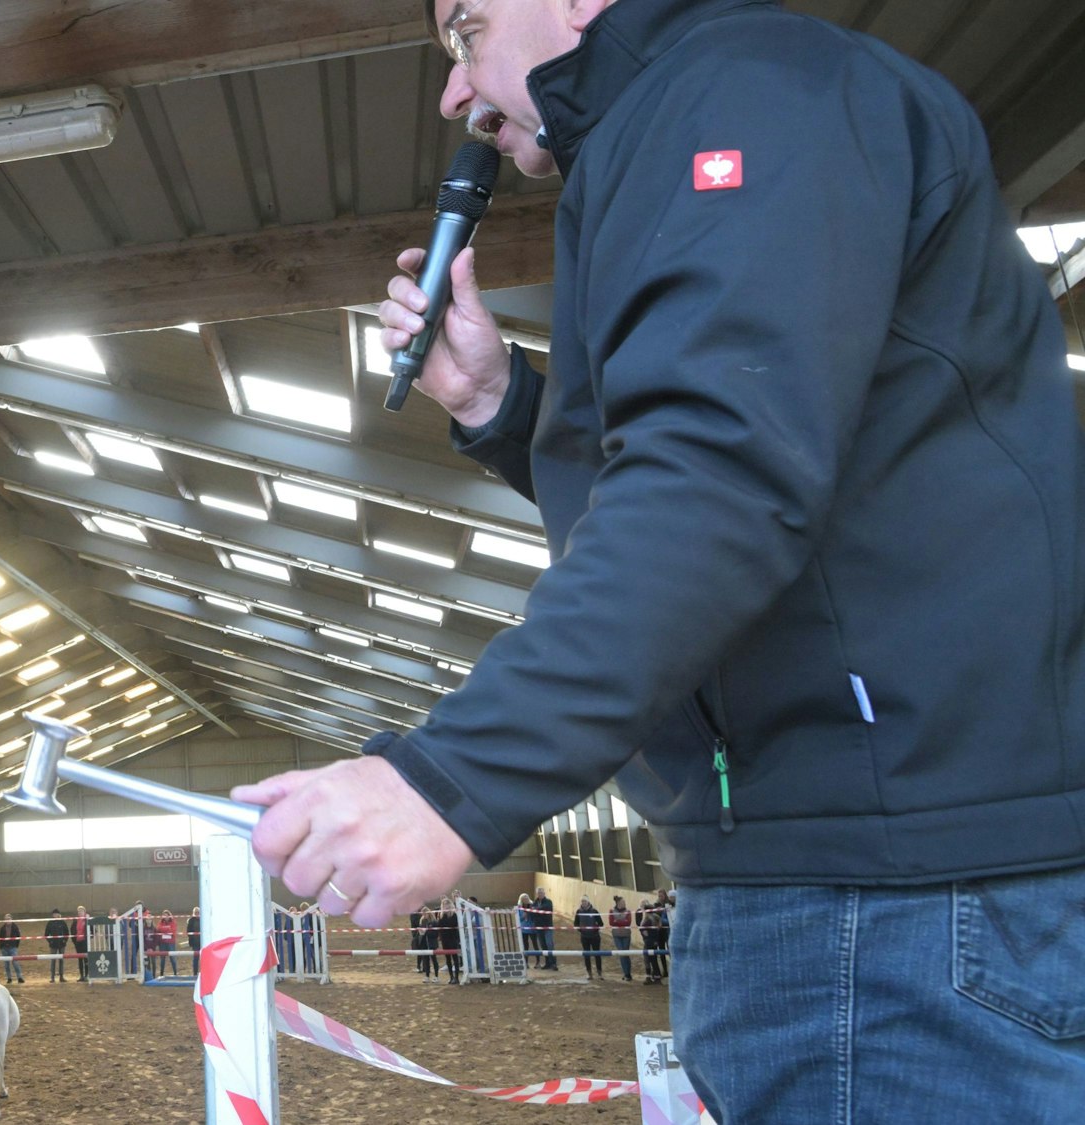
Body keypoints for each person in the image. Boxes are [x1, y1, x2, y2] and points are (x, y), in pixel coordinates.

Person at [234, 0, 1085, 1113]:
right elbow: (762, 470)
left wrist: (451, 779)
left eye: (465, 32)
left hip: (888, 896)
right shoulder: (682, 123)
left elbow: (721, 477)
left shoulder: (736, 95)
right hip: (856, 869)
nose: (452, 92)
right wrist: (500, 406)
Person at [432, 897, 461, 985]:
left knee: (455, 958)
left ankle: (456, 977)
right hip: (445, 940)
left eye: (447, 905)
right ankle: (451, 977)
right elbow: (439, 926)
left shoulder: (454, 915)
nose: (445, 907)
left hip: (453, 938)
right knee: (448, 959)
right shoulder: (441, 915)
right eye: (444, 905)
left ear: (450, 905)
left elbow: (453, 925)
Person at [607, 896, 634, 982]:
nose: (624, 904)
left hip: (626, 934)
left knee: (625, 953)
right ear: (618, 903)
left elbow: (628, 922)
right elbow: (611, 922)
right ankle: (626, 973)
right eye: (622, 902)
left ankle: (628, 973)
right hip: (617, 935)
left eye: (624, 902)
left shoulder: (628, 911)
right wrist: (622, 922)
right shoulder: (611, 911)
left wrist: (617, 922)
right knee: (621, 953)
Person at [576, 898, 604, 980]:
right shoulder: (579, 912)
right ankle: (589, 973)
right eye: (582, 901)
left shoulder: (594, 911)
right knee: (586, 956)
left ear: (588, 902)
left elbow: (601, 923)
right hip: (584, 937)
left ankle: (599, 973)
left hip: (595, 937)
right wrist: (581, 930)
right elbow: (576, 923)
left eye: (584, 901)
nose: (583, 903)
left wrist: (595, 929)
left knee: (597, 955)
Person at [533, 888, 557, 970]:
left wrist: (536, 910)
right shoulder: (535, 902)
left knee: (549, 945)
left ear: (544, 893)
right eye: (538, 893)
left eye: (541, 892)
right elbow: (533, 912)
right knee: (543, 946)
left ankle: (554, 963)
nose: (540, 894)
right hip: (539, 928)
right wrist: (536, 910)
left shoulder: (548, 902)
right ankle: (548, 963)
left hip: (547, 927)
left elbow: (545, 908)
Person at [43, 909, 69, 982]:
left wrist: (64, 940)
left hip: (62, 944)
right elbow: (46, 934)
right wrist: (50, 941)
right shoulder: (50, 923)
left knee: (61, 961)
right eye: (54, 914)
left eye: (56, 914)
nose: (55, 915)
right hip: (53, 945)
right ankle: (52, 977)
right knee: (53, 961)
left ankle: (61, 976)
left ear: (59, 915)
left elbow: (67, 933)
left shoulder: (63, 922)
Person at [0, 913, 24, 984]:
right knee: (6, 964)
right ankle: (9, 978)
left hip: (13, 947)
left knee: (15, 963)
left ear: (11, 919)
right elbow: (1, 938)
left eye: (9, 919)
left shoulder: (16, 927)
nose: (7, 920)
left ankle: (19, 977)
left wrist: (16, 945)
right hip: (4, 948)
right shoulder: (2, 928)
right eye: (6, 919)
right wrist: (1, 947)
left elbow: (18, 937)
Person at [412, 907, 436, 978]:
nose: (423, 915)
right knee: (425, 958)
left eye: (425, 914)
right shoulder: (422, 920)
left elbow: (435, 933)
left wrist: (425, 932)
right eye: (423, 914)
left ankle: (436, 975)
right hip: (423, 941)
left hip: (431, 942)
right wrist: (421, 932)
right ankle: (426, 974)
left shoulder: (433, 921)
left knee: (433, 959)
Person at [71, 906, 89, 983]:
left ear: (84, 912)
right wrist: (74, 941)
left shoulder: (87, 919)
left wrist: (88, 938)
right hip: (78, 942)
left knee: (86, 959)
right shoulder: (75, 920)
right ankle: (81, 975)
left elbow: (92, 930)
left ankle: (87, 975)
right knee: (79, 959)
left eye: (81, 911)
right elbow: (72, 931)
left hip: (84, 942)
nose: (80, 913)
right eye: (78, 911)